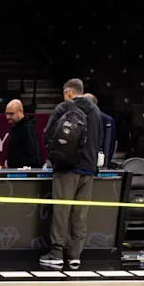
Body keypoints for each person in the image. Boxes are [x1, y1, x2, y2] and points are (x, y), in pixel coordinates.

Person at [40, 79, 103, 269]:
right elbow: (100, 139)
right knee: (80, 214)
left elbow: (47, 135)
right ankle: (75, 255)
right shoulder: (96, 111)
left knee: (62, 212)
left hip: (66, 169)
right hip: (89, 169)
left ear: (68, 92)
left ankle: (56, 253)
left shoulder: (64, 107)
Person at [4, 99, 41, 168]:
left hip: (24, 172)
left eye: (11, 114)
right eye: (7, 113)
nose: (8, 117)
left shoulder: (28, 129)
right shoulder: (16, 128)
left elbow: (32, 156)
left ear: (20, 111)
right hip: (15, 171)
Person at [84, 93, 115, 167]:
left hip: (97, 158)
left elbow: (108, 145)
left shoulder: (106, 120)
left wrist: (105, 163)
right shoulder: (79, 116)